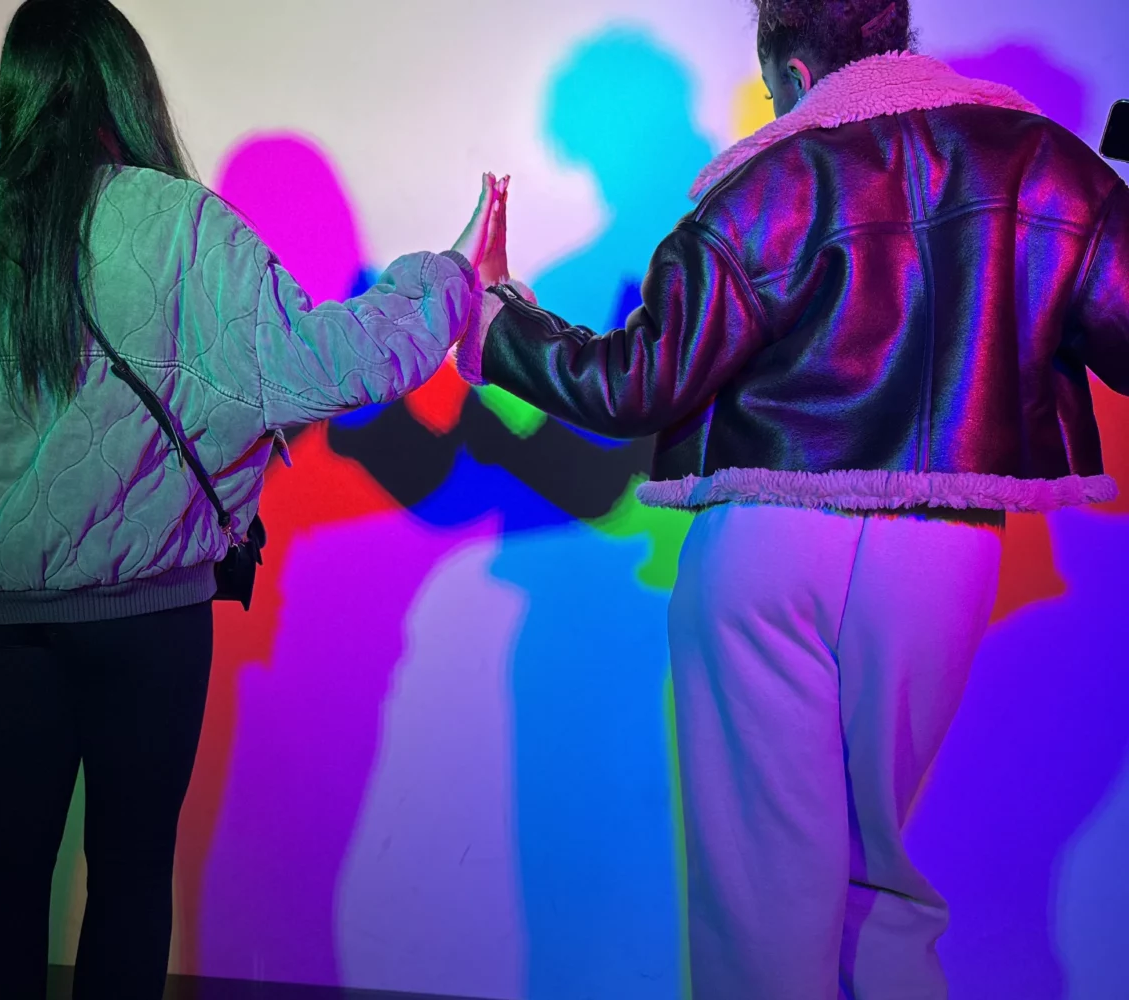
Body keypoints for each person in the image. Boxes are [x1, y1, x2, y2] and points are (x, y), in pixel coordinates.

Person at [458, 0, 1129, 996]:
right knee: (884, 872)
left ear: (794, 70)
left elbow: (632, 386)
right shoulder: (1034, 158)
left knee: (762, 886)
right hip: (941, 554)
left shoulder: (766, 178)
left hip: (768, 546)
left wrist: (494, 322)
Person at [0, 1, 499, 997]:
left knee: (4, 868)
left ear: (18, 91)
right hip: (144, 611)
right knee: (130, 873)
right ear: (127, 85)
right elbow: (324, 361)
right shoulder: (183, 223)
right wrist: (450, 277)